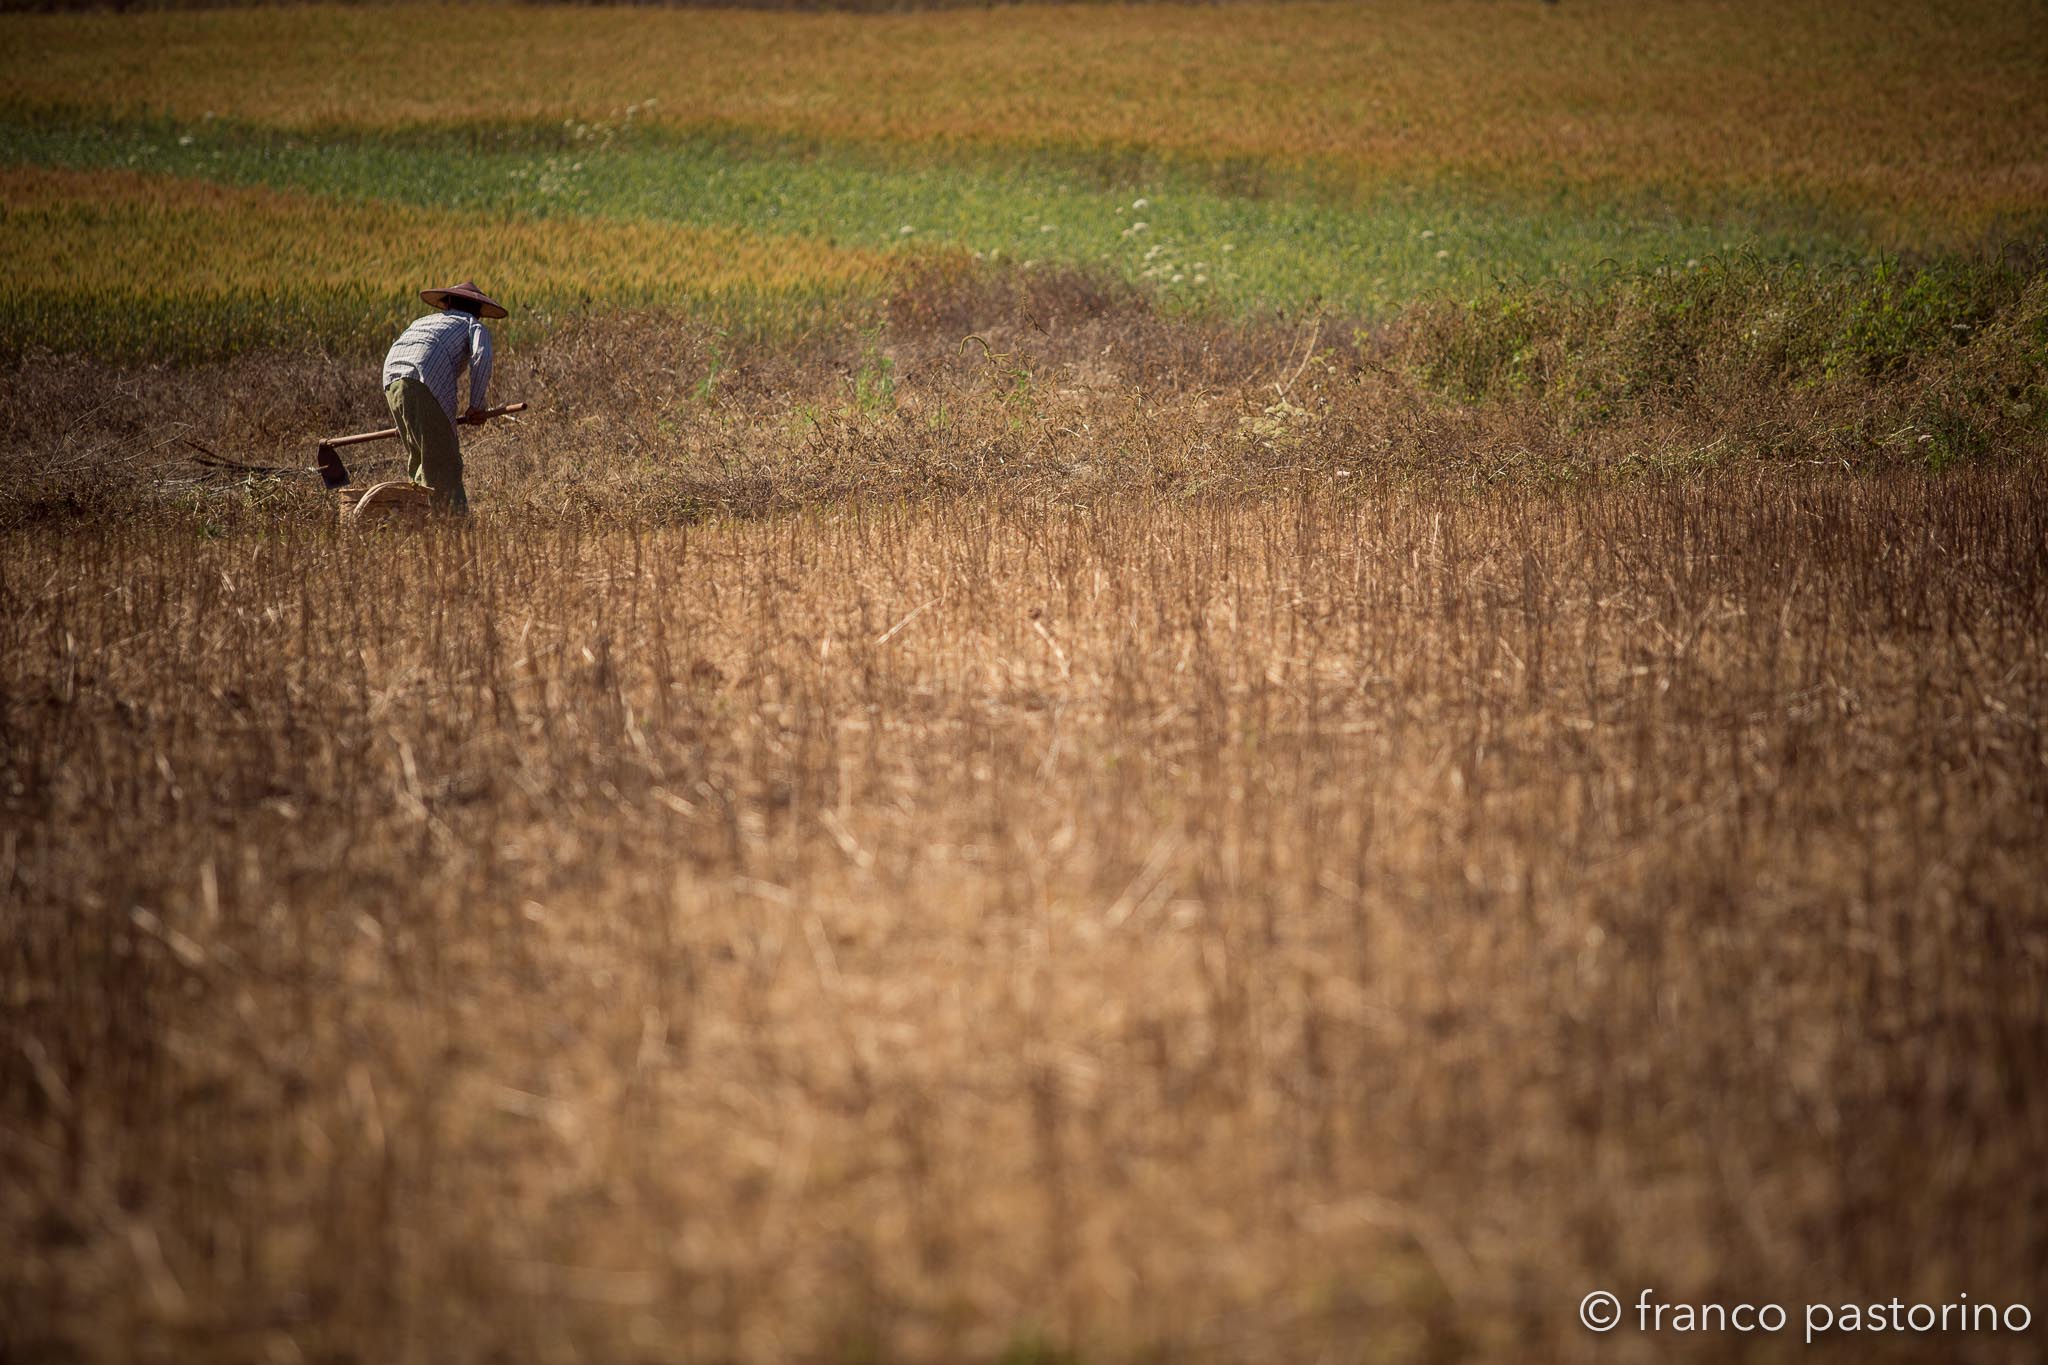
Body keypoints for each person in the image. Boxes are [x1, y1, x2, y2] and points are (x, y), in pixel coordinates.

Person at [380, 281, 506, 514]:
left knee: (421, 457)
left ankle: (419, 519)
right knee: (443, 462)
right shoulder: (472, 325)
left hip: (391, 377)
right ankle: (453, 529)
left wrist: (410, 419)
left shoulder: (423, 322)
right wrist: (476, 405)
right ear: (478, 310)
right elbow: (482, 357)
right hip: (424, 377)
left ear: (447, 303)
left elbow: (406, 361)